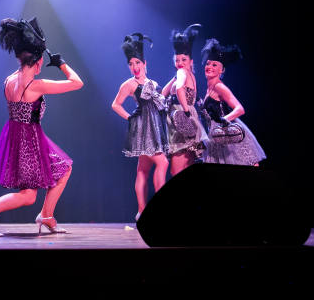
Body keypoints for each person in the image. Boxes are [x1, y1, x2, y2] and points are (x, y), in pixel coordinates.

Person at [0, 17, 82, 237]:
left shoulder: (9, 80)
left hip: (19, 137)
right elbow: (77, 83)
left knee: (63, 169)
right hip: (28, 141)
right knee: (28, 195)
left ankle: (46, 215)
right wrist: (61, 63)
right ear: (37, 62)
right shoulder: (35, 86)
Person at [112, 34, 169, 221]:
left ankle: (142, 212)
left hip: (155, 128)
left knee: (143, 169)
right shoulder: (130, 84)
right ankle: (158, 209)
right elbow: (115, 104)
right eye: (131, 64)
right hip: (144, 129)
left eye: (137, 62)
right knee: (162, 163)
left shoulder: (153, 84)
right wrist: (129, 117)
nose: (134, 67)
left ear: (144, 63)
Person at [200, 39, 266, 165]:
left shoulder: (219, 87)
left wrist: (223, 120)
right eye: (208, 64)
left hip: (228, 132)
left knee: (245, 166)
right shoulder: (209, 89)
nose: (209, 67)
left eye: (214, 65)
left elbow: (240, 109)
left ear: (222, 70)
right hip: (216, 133)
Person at [161, 24, 208, 175]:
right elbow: (163, 94)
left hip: (181, 119)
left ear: (191, 61)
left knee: (176, 171)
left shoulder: (182, 73)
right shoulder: (188, 75)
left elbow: (179, 89)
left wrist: (186, 112)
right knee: (188, 167)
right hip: (188, 117)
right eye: (177, 60)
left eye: (184, 59)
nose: (180, 63)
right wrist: (174, 77)